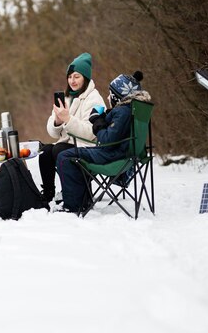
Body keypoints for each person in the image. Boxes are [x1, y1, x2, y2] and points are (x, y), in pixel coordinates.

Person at [56, 71, 150, 213]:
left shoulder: (123, 112)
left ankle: (74, 206)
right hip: (124, 154)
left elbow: (106, 139)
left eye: (110, 93)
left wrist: (97, 121)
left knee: (65, 156)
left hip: (112, 155)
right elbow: (116, 134)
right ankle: (82, 200)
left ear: (117, 96)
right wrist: (104, 117)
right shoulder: (133, 109)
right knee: (70, 155)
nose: (107, 97)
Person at [39, 52, 106, 202]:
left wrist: (68, 119)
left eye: (77, 76)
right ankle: (48, 194)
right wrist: (57, 121)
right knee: (45, 151)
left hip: (89, 147)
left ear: (85, 78)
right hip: (69, 144)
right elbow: (53, 134)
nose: (72, 81)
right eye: (69, 77)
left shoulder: (95, 100)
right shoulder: (66, 97)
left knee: (58, 149)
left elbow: (91, 133)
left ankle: (70, 192)